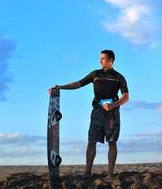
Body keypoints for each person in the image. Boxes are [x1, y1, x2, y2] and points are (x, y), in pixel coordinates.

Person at [50, 49, 129, 180]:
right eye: (100, 58)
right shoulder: (95, 74)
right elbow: (79, 83)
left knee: (112, 141)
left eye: (103, 58)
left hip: (112, 113)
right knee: (91, 140)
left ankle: (110, 173)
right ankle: (87, 172)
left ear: (111, 61)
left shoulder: (119, 77)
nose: (100, 61)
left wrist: (113, 105)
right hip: (97, 111)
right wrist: (61, 87)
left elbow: (126, 97)